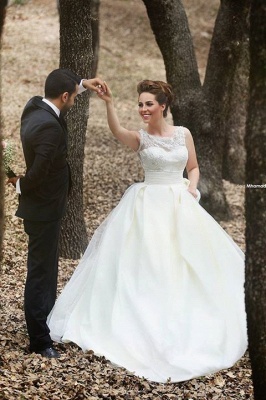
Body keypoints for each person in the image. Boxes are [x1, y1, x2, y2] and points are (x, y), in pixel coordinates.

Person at [47, 79, 247, 382]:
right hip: (148, 205)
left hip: (180, 204)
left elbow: (193, 167)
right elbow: (116, 132)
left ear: (162, 106)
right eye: (140, 104)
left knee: (191, 263)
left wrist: (192, 189)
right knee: (151, 263)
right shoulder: (141, 139)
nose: (143, 109)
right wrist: (110, 103)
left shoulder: (183, 134)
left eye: (148, 104)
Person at [7, 69, 106, 358]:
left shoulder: (34, 107)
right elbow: (38, 173)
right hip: (44, 209)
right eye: (74, 96)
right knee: (41, 272)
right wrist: (19, 183)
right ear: (63, 96)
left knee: (46, 268)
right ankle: (39, 340)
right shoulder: (49, 127)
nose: (74, 101)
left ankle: (46, 322)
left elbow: (61, 88)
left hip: (44, 208)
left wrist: (83, 84)